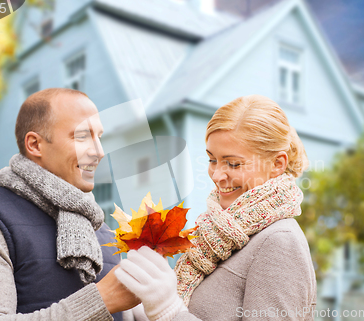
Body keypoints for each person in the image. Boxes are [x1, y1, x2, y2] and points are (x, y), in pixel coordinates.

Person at [114, 95, 317, 321]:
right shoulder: (214, 237)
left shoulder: (280, 242)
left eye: (233, 163)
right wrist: (138, 304)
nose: (217, 175)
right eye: (212, 160)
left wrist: (168, 311)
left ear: (277, 164)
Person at [0, 88, 140, 320]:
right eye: (81, 136)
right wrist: (101, 300)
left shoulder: (104, 233)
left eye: (99, 137)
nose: (98, 151)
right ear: (35, 145)